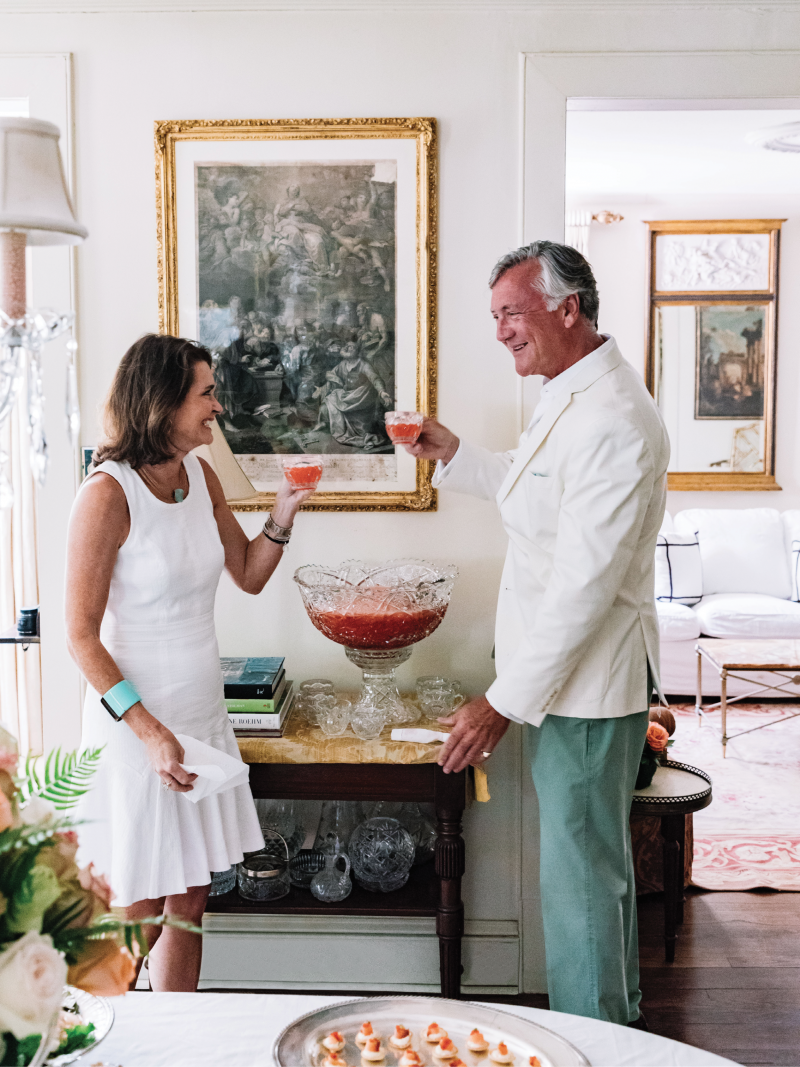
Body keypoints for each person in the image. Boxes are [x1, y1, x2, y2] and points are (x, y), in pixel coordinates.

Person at [405, 241, 669, 1028]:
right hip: (565, 691)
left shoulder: (617, 419)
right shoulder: (569, 394)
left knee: (582, 887)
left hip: (586, 694)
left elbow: (582, 590)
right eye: (494, 317)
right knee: (588, 880)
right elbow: (532, 489)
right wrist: (454, 454)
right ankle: (618, 1032)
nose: (500, 333)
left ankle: (601, 1043)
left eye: (510, 314)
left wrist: (499, 703)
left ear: (567, 308)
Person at [65, 334, 315, 992]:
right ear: (164, 400)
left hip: (203, 717)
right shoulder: (106, 492)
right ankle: (90, 1044)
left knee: (191, 899)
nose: (218, 405)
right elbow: (80, 636)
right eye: (206, 392)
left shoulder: (199, 476)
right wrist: (148, 732)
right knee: (140, 907)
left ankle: (181, 1042)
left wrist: (283, 515)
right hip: (136, 731)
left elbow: (248, 572)